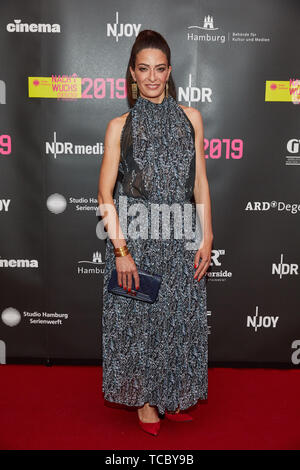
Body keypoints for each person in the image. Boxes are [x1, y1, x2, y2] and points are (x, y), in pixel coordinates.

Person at [98, 30, 213, 436]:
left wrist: (207, 235)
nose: (151, 77)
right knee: (141, 322)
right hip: (139, 237)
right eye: (143, 69)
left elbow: (199, 181)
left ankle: (169, 391)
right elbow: (104, 193)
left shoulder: (191, 119)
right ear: (132, 73)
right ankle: (146, 401)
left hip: (181, 236)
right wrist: (120, 251)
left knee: (177, 319)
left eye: (159, 69)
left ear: (169, 72)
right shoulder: (119, 126)